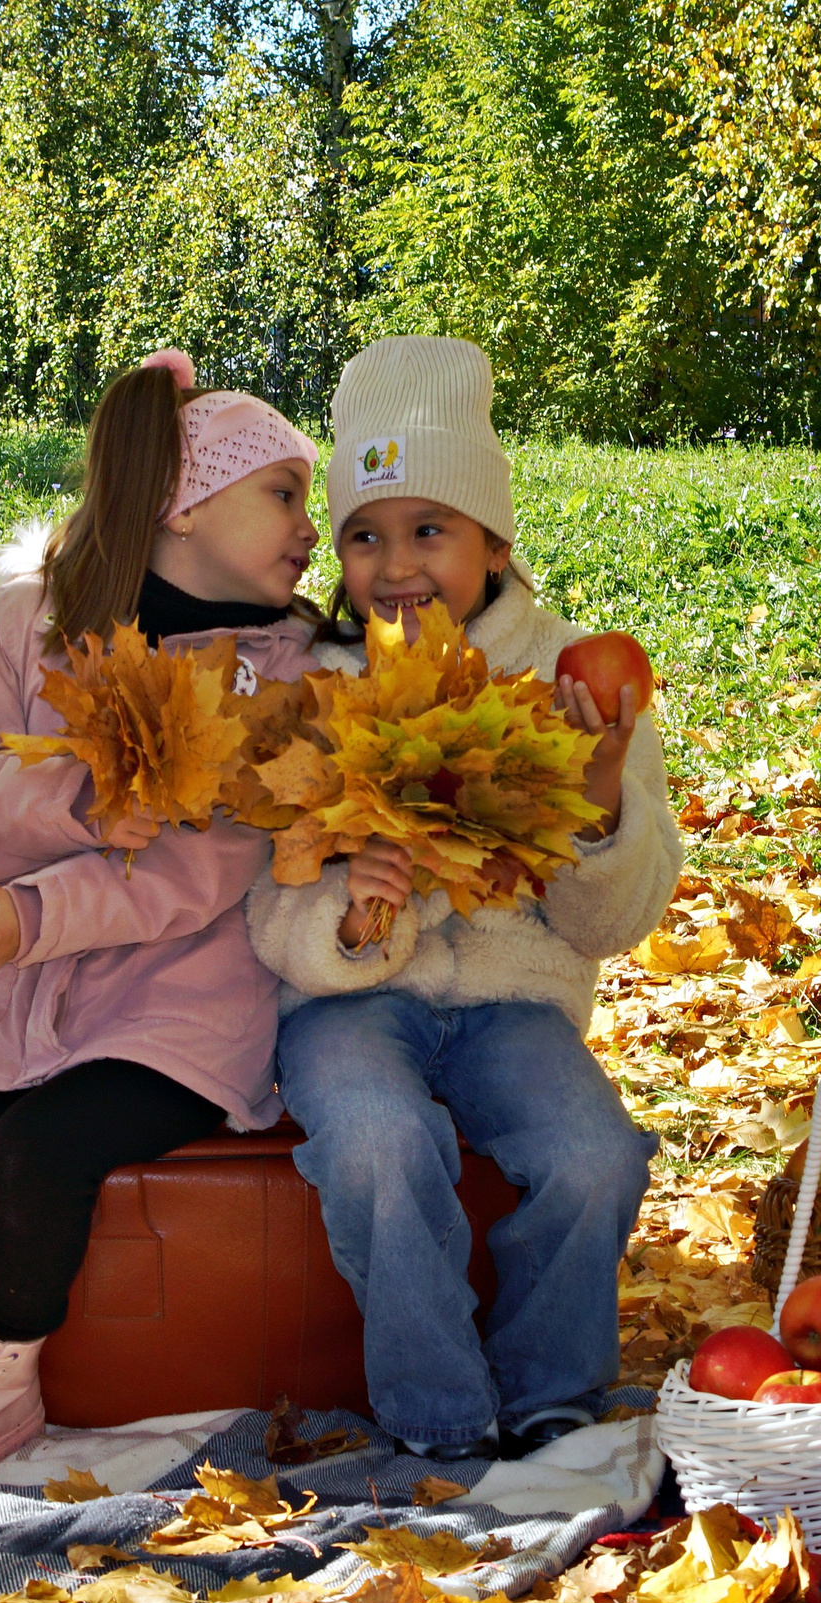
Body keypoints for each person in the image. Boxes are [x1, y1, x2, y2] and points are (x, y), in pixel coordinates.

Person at [0, 350, 323, 1491]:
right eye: (283, 494)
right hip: (3, 997)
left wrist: (26, 917)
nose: (308, 528)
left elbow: (194, 875)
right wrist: (85, 795)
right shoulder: (23, 624)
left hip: (173, 1006)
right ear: (186, 506)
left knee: (40, 1156)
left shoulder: (271, 682)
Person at [247, 336, 681, 1462]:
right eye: (364, 535)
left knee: (594, 1156)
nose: (396, 565)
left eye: (429, 530)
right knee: (378, 1142)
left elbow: (612, 926)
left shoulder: (574, 678)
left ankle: (551, 1387)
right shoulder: (312, 687)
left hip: (513, 998)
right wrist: (348, 918)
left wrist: (592, 801)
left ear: (494, 539)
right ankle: (439, 1412)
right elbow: (264, 895)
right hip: (349, 1003)